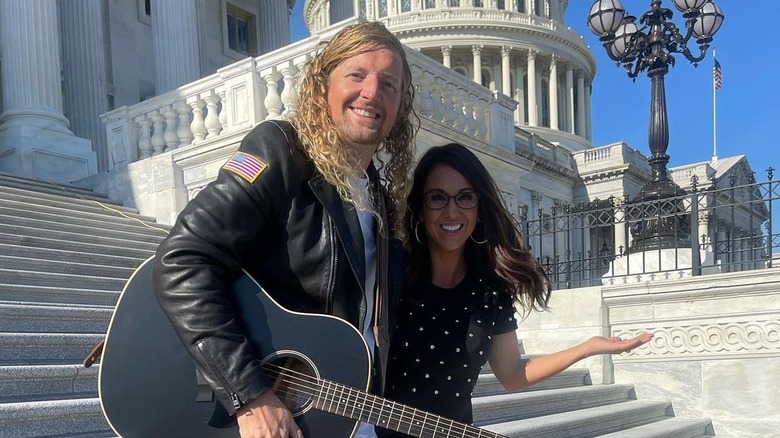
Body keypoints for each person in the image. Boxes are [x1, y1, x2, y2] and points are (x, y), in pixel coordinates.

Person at [153, 21, 417, 438]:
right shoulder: (281, 151)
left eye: (390, 84)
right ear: (322, 84)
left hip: (339, 411)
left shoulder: (382, 200)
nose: (372, 93)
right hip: (267, 410)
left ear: (401, 105)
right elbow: (183, 259)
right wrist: (250, 395)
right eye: (356, 75)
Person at [377, 143, 652, 435]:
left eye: (465, 198)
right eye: (437, 198)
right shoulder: (392, 271)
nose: (452, 211)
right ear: (420, 209)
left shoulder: (490, 291)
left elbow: (512, 375)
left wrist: (588, 348)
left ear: (480, 208)